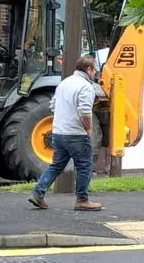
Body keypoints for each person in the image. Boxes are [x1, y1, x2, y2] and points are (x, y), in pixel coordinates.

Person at [28, 55, 102, 211]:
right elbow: (84, 111)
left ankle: (38, 193)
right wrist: (88, 128)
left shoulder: (63, 83)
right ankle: (82, 200)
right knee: (84, 166)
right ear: (88, 69)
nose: (95, 73)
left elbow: (53, 105)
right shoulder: (86, 87)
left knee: (56, 165)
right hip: (76, 135)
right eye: (94, 69)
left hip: (58, 133)